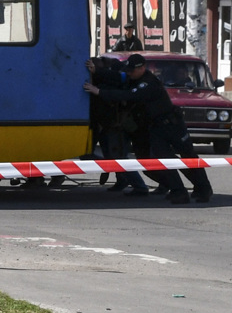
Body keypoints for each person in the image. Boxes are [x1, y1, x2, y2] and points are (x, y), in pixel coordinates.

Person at [85, 53, 212, 203]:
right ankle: (178, 191)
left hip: (172, 126)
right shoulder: (134, 78)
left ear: (142, 68)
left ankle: (203, 189)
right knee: (165, 160)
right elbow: (117, 77)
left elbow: (128, 96)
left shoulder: (148, 83)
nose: (129, 73)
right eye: (129, 70)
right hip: (156, 128)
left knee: (188, 157)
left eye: (132, 70)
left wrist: (99, 92)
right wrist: (96, 71)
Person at [87, 57, 146, 194]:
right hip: (105, 123)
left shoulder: (115, 77)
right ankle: (121, 179)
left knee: (119, 157)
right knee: (110, 155)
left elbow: (120, 79)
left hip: (115, 124)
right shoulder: (107, 78)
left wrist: (97, 73)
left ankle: (140, 186)